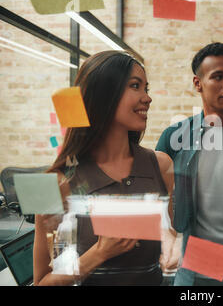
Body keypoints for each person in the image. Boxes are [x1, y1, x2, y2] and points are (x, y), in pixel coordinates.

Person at [33, 50, 174, 286]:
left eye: (146, 89)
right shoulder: (57, 184)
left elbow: (170, 246)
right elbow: (42, 282)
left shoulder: (160, 166)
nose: (147, 98)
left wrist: (173, 246)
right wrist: (99, 253)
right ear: (103, 95)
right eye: (135, 86)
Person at [156, 42, 223, 286]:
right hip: (194, 272)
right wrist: (168, 239)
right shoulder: (174, 137)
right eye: (218, 76)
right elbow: (156, 202)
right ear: (198, 83)